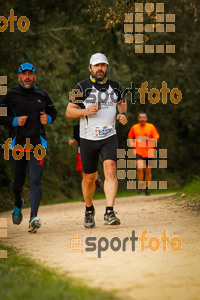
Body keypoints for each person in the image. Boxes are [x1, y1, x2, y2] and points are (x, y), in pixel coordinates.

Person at [66, 53, 127, 228]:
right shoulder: (81, 87)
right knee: (89, 178)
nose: (100, 68)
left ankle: (109, 212)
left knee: (110, 169)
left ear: (107, 67)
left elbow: (122, 103)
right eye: (96, 65)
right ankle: (89, 209)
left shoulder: (115, 87)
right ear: (90, 68)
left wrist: (122, 114)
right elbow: (69, 111)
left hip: (109, 136)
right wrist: (85, 111)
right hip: (87, 139)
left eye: (103, 65)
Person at [0, 62, 57, 233]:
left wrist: (49, 118)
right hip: (17, 145)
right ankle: (18, 203)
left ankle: (34, 217)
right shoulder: (9, 94)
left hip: (38, 145)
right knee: (18, 182)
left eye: (30, 74)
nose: (27, 77)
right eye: (23, 74)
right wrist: (14, 121)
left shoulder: (42, 95)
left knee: (35, 180)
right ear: (18, 77)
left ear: (35, 76)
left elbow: (53, 112)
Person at [128, 113, 159, 196]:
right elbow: (130, 136)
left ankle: (147, 188)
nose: (142, 119)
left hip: (149, 152)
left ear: (146, 118)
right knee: (139, 168)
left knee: (148, 171)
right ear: (138, 119)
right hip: (138, 151)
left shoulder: (151, 127)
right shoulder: (134, 127)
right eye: (140, 117)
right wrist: (131, 143)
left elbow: (156, 140)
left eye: (144, 117)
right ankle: (141, 185)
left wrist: (148, 139)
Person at [68, 122, 102, 188]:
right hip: (81, 151)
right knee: (82, 172)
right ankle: (85, 195)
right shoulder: (76, 127)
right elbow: (77, 139)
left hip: (91, 149)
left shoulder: (93, 124)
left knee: (90, 171)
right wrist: (72, 141)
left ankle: (95, 177)